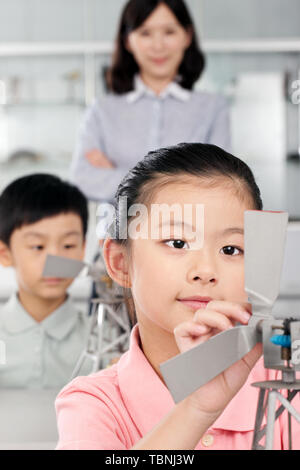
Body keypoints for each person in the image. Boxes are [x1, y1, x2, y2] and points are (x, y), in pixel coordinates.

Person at [55, 143, 300, 450]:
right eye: (177, 242)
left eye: (231, 249)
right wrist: (196, 408)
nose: (206, 271)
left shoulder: (289, 388)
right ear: (120, 263)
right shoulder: (94, 404)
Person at [70, 0, 231, 202]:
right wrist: (181, 181)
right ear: (128, 40)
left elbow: (221, 184)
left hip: (189, 232)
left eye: (169, 32)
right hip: (118, 233)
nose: (158, 45)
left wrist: (120, 176)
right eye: (145, 33)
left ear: (187, 36)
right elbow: (83, 179)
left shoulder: (212, 109)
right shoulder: (101, 110)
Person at [0, 174, 91, 388]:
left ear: (83, 249)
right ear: (5, 254)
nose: (55, 261)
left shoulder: (102, 343)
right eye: (37, 246)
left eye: (68, 245)